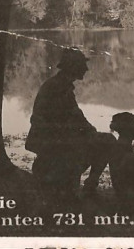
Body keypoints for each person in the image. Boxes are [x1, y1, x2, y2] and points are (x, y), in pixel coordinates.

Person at [26, 47, 114, 202]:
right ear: (73, 67)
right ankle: (85, 187)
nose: (86, 69)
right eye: (82, 65)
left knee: (102, 141)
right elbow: (66, 120)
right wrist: (87, 134)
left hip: (55, 140)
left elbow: (75, 117)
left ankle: (84, 185)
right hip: (53, 143)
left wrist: (89, 131)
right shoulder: (58, 88)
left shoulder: (61, 85)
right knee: (106, 142)